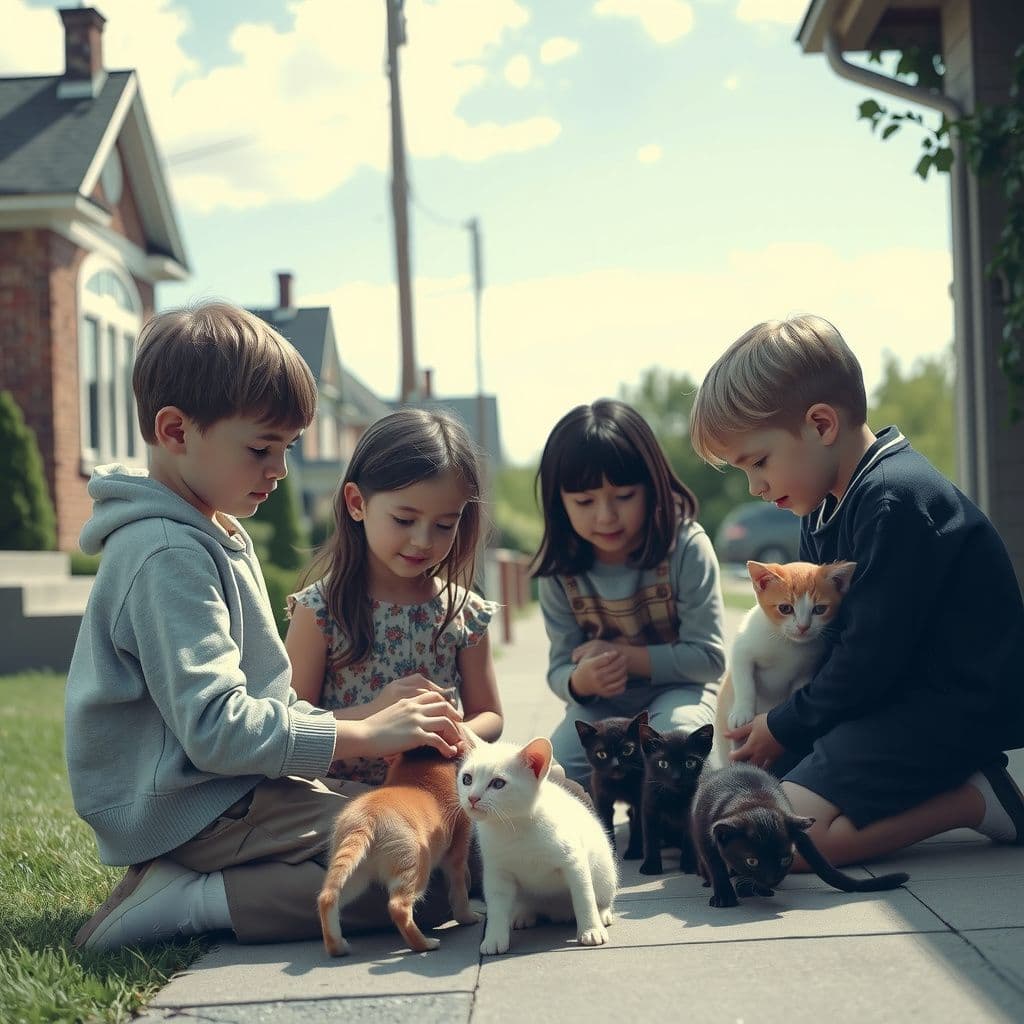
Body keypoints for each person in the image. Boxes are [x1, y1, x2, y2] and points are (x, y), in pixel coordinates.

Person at [67, 303, 465, 952]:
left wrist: (368, 711)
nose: (279, 470)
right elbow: (216, 731)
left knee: (440, 832)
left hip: (235, 790)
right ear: (175, 431)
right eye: (261, 448)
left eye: (287, 448)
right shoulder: (167, 553)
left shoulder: (213, 530)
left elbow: (259, 708)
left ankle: (218, 873)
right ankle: (188, 897)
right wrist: (360, 731)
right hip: (195, 804)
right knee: (427, 874)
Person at [688, 314, 1024, 866]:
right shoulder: (823, 506)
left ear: (821, 424)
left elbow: (869, 657)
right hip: (881, 703)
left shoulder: (895, 500)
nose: (755, 487)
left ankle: (980, 798)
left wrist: (785, 724)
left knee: (778, 840)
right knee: (743, 813)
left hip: (949, 711)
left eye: (760, 462)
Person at [285, 407, 503, 788]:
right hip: (341, 799)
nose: (422, 540)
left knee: (560, 786)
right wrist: (376, 716)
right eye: (404, 520)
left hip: (438, 790)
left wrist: (452, 731)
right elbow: (292, 726)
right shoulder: (319, 612)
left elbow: (490, 715)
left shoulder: (465, 612)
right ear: (357, 504)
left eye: (444, 525)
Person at [533, 399, 726, 789]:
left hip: (678, 694)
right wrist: (581, 682)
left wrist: (623, 657)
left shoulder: (687, 547)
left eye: (623, 496)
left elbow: (708, 660)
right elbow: (558, 669)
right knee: (550, 781)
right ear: (560, 503)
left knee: (677, 750)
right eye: (584, 502)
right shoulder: (558, 572)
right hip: (599, 710)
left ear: (652, 487)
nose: (605, 516)